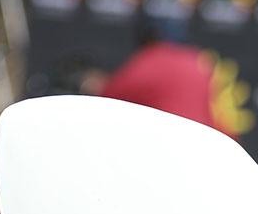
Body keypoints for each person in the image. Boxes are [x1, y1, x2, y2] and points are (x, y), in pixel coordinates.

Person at [88, 18, 233, 135]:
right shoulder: (198, 60)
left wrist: (91, 84)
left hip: (169, 145)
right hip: (205, 145)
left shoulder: (153, 58)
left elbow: (109, 96)